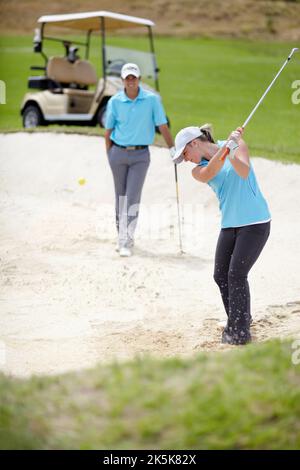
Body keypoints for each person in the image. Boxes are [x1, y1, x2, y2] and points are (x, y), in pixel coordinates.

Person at [172, 124, 271, 345]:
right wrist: (226, 148)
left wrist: (232, 148)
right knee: (220, 275)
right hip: (230, 225)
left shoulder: (237, 146)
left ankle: (240, 332)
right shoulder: (199, 170)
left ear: (194, 143)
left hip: (255, 222)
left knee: (236, 274)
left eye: (185, 153)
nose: (186, 159)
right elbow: (212, 171)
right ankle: (240, 318)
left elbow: (243, 171)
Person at [105, 63, 175, 257]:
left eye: (133, 77)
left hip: (141, 156)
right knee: (120, 196)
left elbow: (162, 126)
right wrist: (109, 155)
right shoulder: (115, 101)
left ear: (139, 79)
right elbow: (108, 131)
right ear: (122, 80)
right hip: (117, 153)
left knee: (132, 196)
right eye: (127, 78)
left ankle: (126, 239)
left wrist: (172, 149)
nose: (131, 81)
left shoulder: (152, 100)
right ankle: (122, 235)